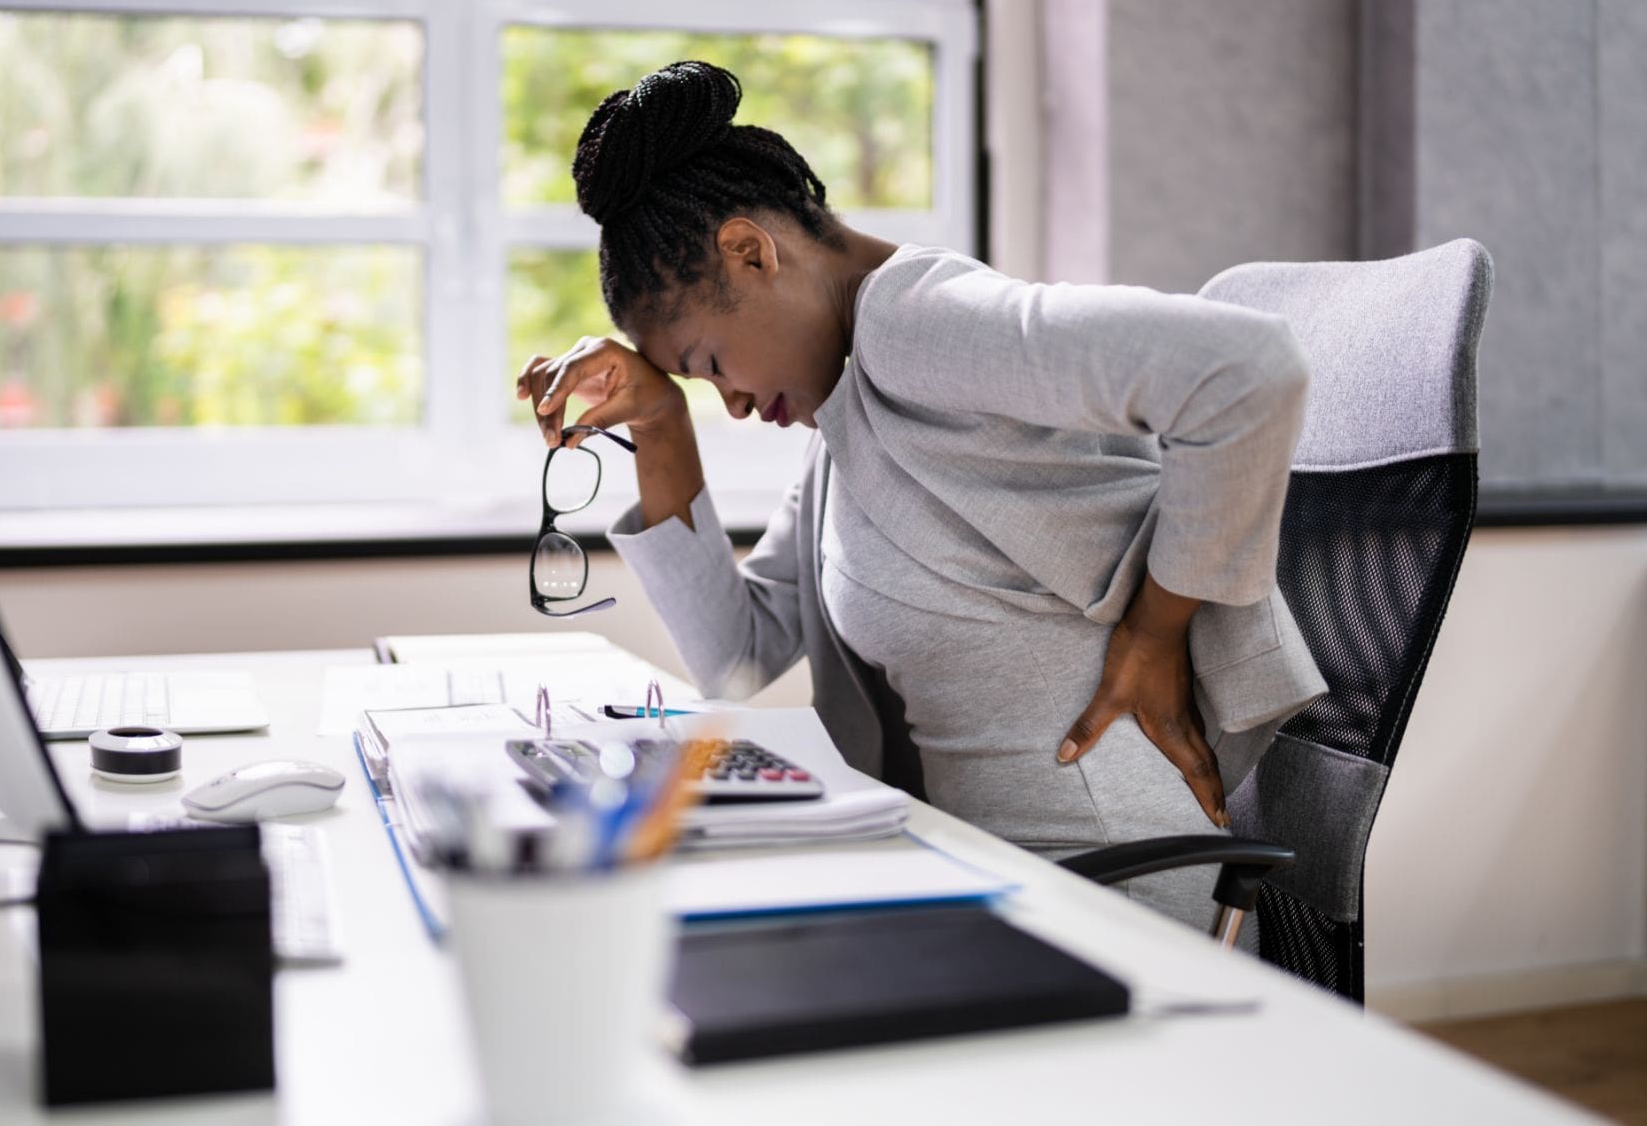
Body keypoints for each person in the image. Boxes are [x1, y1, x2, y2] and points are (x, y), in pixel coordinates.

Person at [516, 61, 1325, 933]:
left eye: (711, 365)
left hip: (1098, 880)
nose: (737, 405)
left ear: (750, 252)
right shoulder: (849, 416)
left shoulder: (920, 323)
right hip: (976, 865)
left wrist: (1157, 631)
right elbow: (735, 656)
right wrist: (662, 425)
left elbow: (1248, 371)